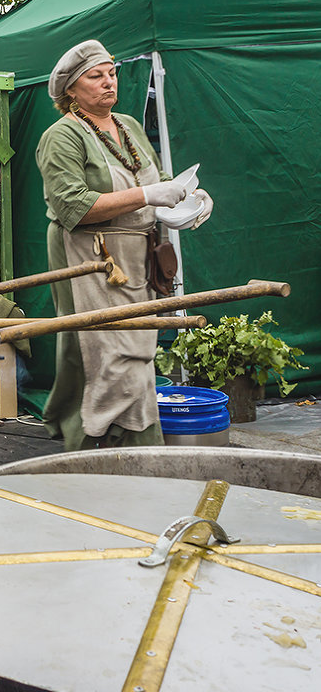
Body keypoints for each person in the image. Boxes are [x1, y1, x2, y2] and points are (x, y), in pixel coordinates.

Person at [37, 39, 213, 451]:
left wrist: (188, 199)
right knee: (99, 347)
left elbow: (159, 179)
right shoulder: (61, 136)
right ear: (71, 91)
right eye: (95, 76)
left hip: (137, 256)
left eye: (111, 73)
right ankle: (94, 439)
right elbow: (73, 207)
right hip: (88, 256)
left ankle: (125, 437)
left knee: (138, 342)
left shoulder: (130, 126)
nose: (108, 82)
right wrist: (149, 196)